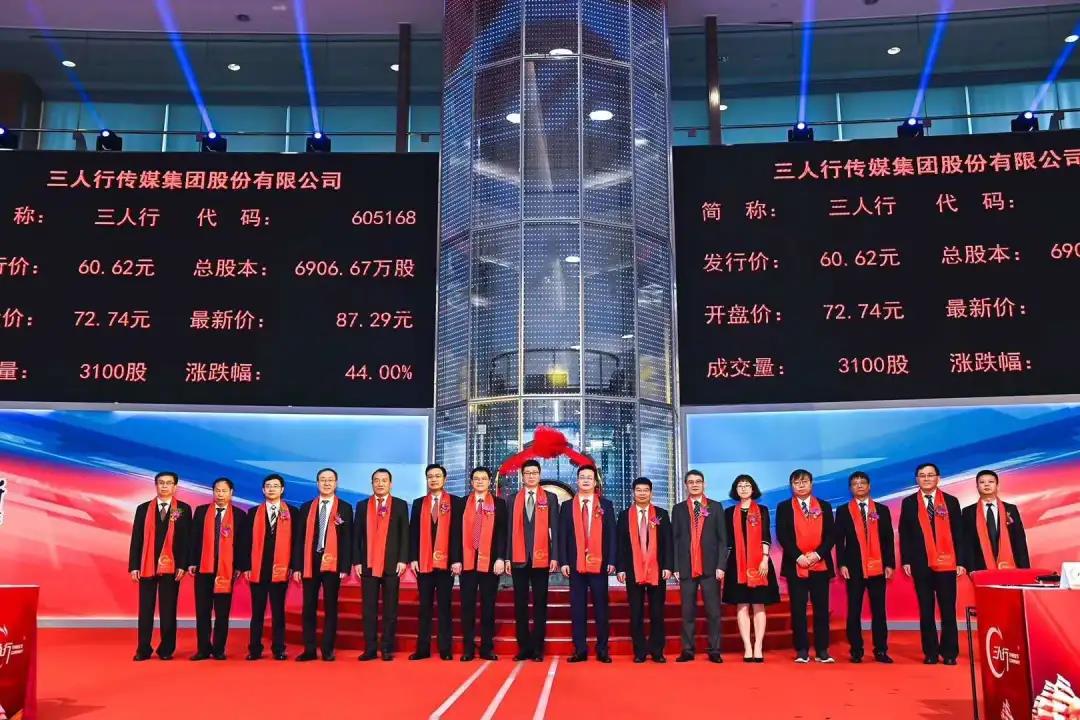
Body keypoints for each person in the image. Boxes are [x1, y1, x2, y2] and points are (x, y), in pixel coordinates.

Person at [899, 462, 965, 665]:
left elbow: (959, 532)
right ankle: (930, 652)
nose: (926, 479)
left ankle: (950, 653)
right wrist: (906, 560)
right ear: (917, 479)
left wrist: (961, 561)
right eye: (922, 475)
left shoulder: (951, 501)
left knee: (948, 609)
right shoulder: (909, 502)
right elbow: (904, 533)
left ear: (938, 478)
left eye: (930, 475)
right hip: (920, 563)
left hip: (947, 563)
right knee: (926, 609)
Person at [128, 471, 192, 661]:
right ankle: (143, 649)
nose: (164, 486)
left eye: (168, 483)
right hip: (146, 565)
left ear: (175, 486)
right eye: (161, 483)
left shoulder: (182, 509)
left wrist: (183, 565)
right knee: (145, 609)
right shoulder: (143, 509)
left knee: (168, 609)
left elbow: (185, 540)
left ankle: (166, 649)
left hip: (172, 567)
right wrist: (134, 566)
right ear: (156, 485)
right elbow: (136, 539)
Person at [292, 467, 353, 662]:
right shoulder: (306, 507)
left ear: (336, 483)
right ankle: (309, 649)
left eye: (330, 480)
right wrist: (297, 566)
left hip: (333, 564)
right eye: (323, 480)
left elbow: (348, 540)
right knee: (308, 607)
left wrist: (345, 566)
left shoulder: (345, 508)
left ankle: (328, 649)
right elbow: (299, 539)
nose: (326, 483)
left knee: (330, 607)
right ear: (317, 483)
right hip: (310, 562)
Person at [775, 469, 835, 663]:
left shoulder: (824, 506)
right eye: (796, 483)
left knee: (821, 609)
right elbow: (783, 535)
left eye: (804, 482)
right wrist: (798, 556)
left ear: (811, 483)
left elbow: (831, 535)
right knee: (798, 610)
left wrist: (817, 555)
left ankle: (822, 650)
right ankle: (801, 650)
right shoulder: (784, 507)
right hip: (796, 565)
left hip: (820, 565)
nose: (800, 486)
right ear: (791, 486)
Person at [834, 471, 895, 664]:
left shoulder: (882, 510)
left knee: (879, 611)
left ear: (869, 486)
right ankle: (856, 650)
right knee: (854, 610)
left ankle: (881, 650)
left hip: (878, 567)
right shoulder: (843, 511)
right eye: (855, 483)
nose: (859, 486)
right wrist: (842, 564)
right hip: (854, 567)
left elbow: (888, 539)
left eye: (862, 482)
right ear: (850, 488)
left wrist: (889, 564)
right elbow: (839, 540)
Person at [559, 464, 617, 663]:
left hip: (599, 564)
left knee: (601, 607)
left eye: (589, 477)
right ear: (577, 481)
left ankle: (602, 649)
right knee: (578, 608)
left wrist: (612, 560)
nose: (585, 480)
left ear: (595, 482)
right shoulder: (567, 506)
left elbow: (612, 534)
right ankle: (580, 649)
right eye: (582, 477)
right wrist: (563, 561)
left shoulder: (606, 505)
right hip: (575, 564)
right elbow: (561, 536)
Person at [505, 459, 560, 662]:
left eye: (534, 473)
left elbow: (555, 529)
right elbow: (508, 531)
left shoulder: (550, 498)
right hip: (518, 558)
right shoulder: (512, 499)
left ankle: (538, 648)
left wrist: (555, 556)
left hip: (541, 559)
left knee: (539, 603)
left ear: (539, 474)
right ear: (522, 476)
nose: (531, 476)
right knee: (520, 604)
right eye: (527, 473)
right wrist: (507, 556)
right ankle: (524, 647)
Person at [672, 469, 728, 663]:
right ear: (686, 485)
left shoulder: (716, 507)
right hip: (686, 567)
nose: (695, 485)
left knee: (713, 612)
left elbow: (723, 540)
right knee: (687, 612)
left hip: (711, 568)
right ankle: (687, 650)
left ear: (704, 484)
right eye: (691, 482)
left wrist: (721, 565)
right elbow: (675, 540)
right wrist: (676, 566)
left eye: (698, 481)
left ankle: (714, 650)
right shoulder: (678, 509)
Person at [354, 468, 410, 661]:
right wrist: (357, 561)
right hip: (368, 565)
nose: (380, 484)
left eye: (384, 480)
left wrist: (403, 559)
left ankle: (387, 648)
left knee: (390, 610)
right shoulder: (362, 506)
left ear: (390, 484)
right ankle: (370, 649)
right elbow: (357, 536)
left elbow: (405, 534)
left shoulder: (400, 505)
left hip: (392, 565)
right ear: (372, 483)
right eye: (376, 480)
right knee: (368, 610)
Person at [723, 474, 780, 663]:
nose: (744, 488)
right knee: (742, 604)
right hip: (737, 563)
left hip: (759, 563)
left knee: (758, 604)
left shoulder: (762, 510)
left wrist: (764, 559)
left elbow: (765, 535)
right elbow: (726, 541)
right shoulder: (729, 512)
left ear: (753, 488)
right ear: (735, 490)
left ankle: (758, 646)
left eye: (747, 485)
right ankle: (747, 646)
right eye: (740, 486)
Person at [188, 477, 246, 661]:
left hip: (226, 570)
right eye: (217, 491)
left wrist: (239, 566)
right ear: (213, 492)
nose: (220, 494)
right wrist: (192, 561)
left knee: (222, 613)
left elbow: (242, 544)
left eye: (224, 491)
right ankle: (203, 649)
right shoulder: (201, 511)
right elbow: (194, 539)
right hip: (203, 569)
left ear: (231, 493)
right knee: (203, 611)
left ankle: (219, 649)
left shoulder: (239, 515)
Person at [616, 477, 673, 663]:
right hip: (633, 570)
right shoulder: (624, 515)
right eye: (638, 490)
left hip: (657, 570)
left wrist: (668, 566)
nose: (642, 493)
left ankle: (657, 651)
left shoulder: (661, 514)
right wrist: (620, 568)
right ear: (633, 493)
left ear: (651, 493)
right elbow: (620, 545)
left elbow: (668, 543)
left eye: (645, 490)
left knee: (657, 612)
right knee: (636, 613)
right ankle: (639, 651)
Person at [408, 464, 461, 661]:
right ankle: (422, 649)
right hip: (423, 563)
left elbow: (458, 533)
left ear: (444, 479)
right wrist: (413, 558)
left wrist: (456, 559)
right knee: (424, 608)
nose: (434, 479)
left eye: (438, 476)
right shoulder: (418, 503)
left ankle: (445, 649)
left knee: (445, 607)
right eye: (430, 476)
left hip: (446, 564)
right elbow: (413, 532)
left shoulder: (455, 502)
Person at [241, 473, 296, 661]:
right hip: (258, 569)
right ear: (263, 490)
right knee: (257, 612)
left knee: (278, 612)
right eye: (268, 486)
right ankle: (254, 649)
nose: (271, 489)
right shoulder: (253, 513)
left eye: (275, 486)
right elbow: (245, 542)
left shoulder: (293, 512)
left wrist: (293, 566)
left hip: (281, 569)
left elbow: (297, 542)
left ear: (282, 489)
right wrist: (246, 567)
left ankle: (279, 648)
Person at [457, 466, 507, 661]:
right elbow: (455, 533)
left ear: (489, 481)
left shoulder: (499, 504)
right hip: (467, 563)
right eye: (476, 479)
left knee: (488, 607)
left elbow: (502, 533)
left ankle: (487, 647)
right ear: (471, 482)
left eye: (483, 478)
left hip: (490, 564)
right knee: (467, 607)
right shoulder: (462, 503)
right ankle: (468, 648)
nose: (479, 481)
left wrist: (501, 558)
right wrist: (456, 560)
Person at [961, 469, 1030, 572]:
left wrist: (1025, 569)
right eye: (982, 482)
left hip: (1010, 567)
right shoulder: (968, 512)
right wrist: (971, 570)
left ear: (997, 485)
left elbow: (1019, 540)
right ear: (977, 487)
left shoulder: (1010, 509)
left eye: (991, 482)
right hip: (981, 568)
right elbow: (967, 543)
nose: (986, 485)